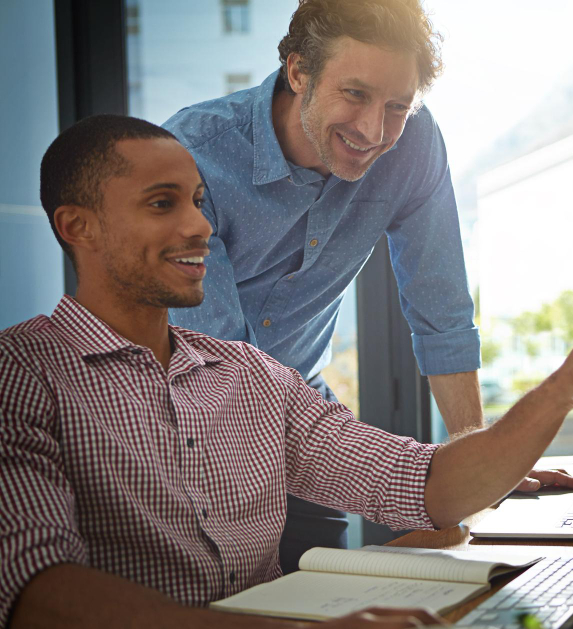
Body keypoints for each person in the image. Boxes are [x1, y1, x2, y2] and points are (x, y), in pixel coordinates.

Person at [0, 115, 573, 629]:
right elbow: (36, 596)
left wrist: (562, 389)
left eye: (198, 201)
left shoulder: (253, 376)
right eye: (163, 204)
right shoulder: (21, 374)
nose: (200, 226)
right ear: (78, 227)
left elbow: (428, 486)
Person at [162, 0, 549, 563]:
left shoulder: (413, 142)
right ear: (298, 71)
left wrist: (480, 466)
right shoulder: (196, 156)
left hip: (299, 420)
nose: (374, 131)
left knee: (323, 613)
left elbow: (440, 310)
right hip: (189, 437)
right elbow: (221, 367)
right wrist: (437, 484)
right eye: (355, 94)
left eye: (397, 105)